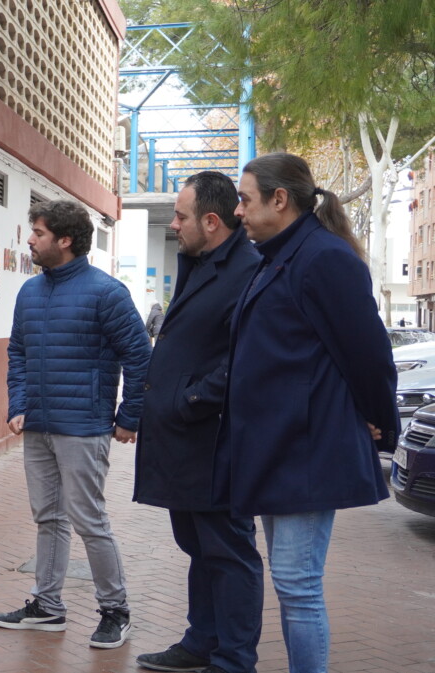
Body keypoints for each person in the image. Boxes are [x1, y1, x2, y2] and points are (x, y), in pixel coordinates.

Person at [221, 153, 398, 673]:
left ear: (280, 200)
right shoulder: (279, 256)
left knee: (298, 585)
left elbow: (368, 354)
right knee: (291, 584)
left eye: (245, 199)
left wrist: (379, 419)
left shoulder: (324, 258)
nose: (237, 211)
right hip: (279, 445)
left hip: (306, 448)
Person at [0, 199, 152, 649]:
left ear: (65, 240)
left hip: (84, 426)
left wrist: (129, 416)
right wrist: (18, 404)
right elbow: (18, 352)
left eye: (38, 233)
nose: (29, 240)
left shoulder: (107, 292)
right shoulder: (29, 292)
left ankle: (115, 610)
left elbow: (140, 356)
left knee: (89, 520)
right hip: (38, 426)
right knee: (48, 518)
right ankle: (47, 606)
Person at [132, 172, 262, 673]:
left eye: (180, 216)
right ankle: (200, 642)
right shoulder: (200, 262)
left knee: (228, 552)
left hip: (214, 441)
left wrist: (191, 399)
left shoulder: (247, 270)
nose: (173, 224)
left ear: (211, 221)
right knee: (197, 547)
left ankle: (233, 659)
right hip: (184, 441)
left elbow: (245, 358)